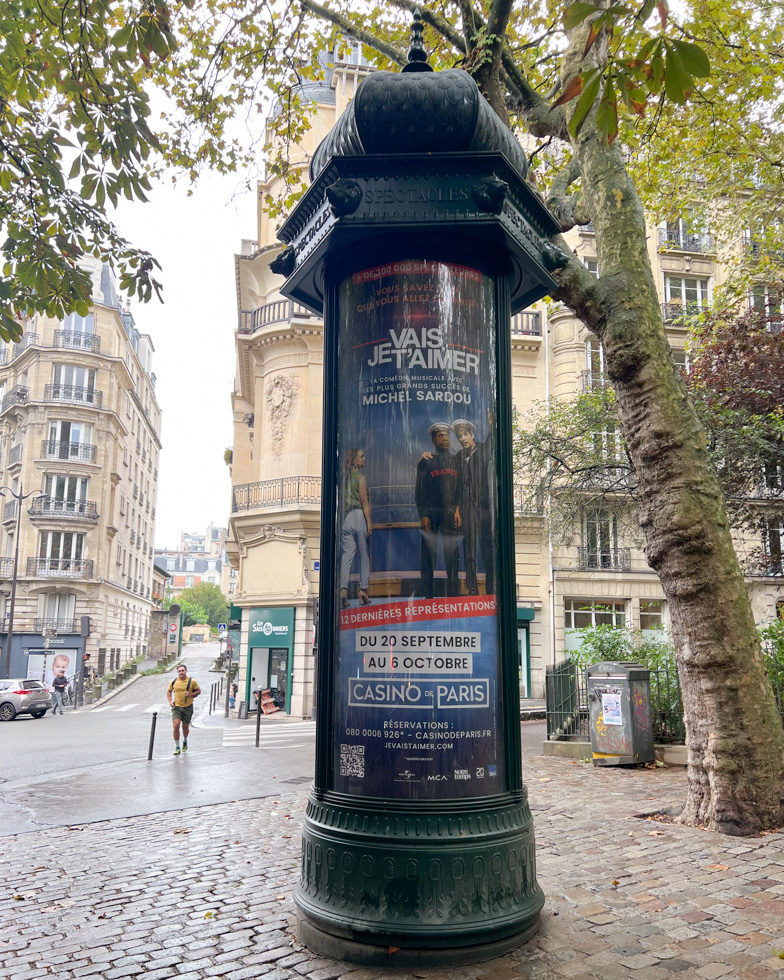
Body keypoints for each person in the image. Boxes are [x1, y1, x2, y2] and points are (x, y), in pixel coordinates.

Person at [415, 422, 461, 598]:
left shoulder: (456, 460)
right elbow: (419, 490)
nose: (444, 439)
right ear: (434, 439)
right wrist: (423, 514)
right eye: (440, 436)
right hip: (432, 513)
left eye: (446, 436)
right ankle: (427, 594)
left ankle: (454, 595)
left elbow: (461, 488)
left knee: (452, 555)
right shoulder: (426, 461)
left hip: (450, 512)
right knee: (428, 555)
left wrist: (458, 509)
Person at [454, 417, 495, 596]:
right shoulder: (458, 457)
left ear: (472, 434)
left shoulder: (483, 450)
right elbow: (454, 485)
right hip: (466, 509)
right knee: (469, 550)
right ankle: (472, 589)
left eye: (465, 435)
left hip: (484, 508)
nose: (463, 439)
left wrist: (492, 424)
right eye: (460, 436)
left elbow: (492, 440)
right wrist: (457, 509)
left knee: (487, 548)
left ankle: (491, 588)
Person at [339, 449, 373, 607]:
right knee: (364, 556)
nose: (364, 459)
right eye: (362, 456)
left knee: (347, 557)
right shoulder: (361, 477)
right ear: (354, 461)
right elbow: (364, 501)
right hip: (359, 516)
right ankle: (363, 590)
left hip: (347, 518)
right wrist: (369, 522)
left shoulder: (345, 478)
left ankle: (343, 590)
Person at [167, 664, 201, 756]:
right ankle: (177, 747)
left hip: (188, 707)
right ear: (177, 672)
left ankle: (185, 740)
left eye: (183, 670)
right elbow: (169, 692)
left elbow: (198, 691)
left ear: (186, 671)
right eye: (179, 671)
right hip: (177, 707)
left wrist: (190, 694)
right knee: (176, 725)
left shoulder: (192, 681)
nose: (181, 672)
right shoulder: (174, 681)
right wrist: (170, 701)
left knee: (185, 727)